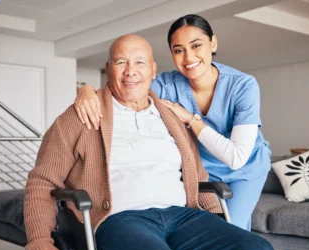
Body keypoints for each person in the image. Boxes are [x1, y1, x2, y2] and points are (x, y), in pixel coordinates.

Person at [24, 34, 279, 250]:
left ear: (153, 70)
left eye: (140, 62)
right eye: (120, 61)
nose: (130, 71)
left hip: (183, 217)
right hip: (119, 220)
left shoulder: (172, 117)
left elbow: (198, 177)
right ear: (108, 68)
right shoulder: (80, 116)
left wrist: (215, 220)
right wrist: (41, 246)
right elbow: (42, 183)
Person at [73, 14, 272, 231]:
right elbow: (127, 88)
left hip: (245, 167)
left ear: (212, 43)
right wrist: (87, 90)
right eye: (179, 50)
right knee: (202, 231)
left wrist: (191, 119)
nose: (188, 57)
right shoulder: (168, 85)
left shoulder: (243, 85)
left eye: (196, 45)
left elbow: (236, 158)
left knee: (233, 229)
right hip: (204, 168)